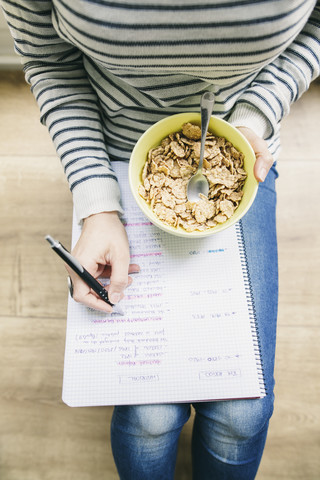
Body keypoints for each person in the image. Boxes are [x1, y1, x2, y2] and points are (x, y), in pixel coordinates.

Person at [1, 1, 319, 478]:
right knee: (147, 415)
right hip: (116, 149)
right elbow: (49, 61)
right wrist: (98, 205)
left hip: (240, 140)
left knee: (243, 412)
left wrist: (253, 116)